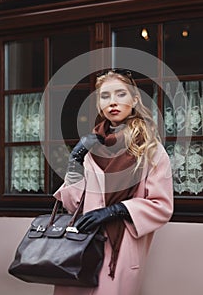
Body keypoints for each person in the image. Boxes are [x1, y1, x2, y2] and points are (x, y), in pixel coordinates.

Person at [53, 68, 173, 295]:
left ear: (135, 100)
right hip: (79, 249)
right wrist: (75, 161)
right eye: (105, 96)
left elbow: (162, 206)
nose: (113, 102)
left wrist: (116, 210)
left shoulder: (151, 151)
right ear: (99, 104)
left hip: (119, 253)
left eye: (121, 94)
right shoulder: (91, 147)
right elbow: (72, 204)